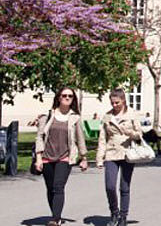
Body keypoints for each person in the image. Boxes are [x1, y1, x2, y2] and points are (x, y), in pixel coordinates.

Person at [34, 87, 89, 226]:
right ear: (58, 97)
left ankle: (56, 219)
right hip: (47, 157)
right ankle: (55, 214)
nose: (67, 98)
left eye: (70, 96)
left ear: (73, 99)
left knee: (58, 187)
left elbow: (80, 139)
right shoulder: (47, 116)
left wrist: (84, 158)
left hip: (65, 157)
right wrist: (39, 158)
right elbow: (39, 137)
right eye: (64, 95)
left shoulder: (74, 118)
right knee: (50, 187)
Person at [97, 89, 143, 226]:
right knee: (110, 186)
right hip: (111, 153)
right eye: (112, 102)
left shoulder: (132, 114)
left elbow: (139, 134)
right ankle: (114, 212)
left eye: (117, 102)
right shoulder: (107, 116)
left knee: (124, 186)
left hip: (128, 153)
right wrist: (100, 158)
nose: (114, 105)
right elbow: (102, 138)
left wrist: (129, 132)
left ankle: (123, 216)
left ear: (123, 100)